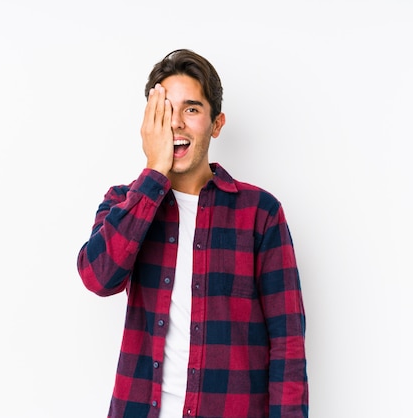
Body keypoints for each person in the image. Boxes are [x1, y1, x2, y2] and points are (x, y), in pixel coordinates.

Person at [78, 49, 308, 418]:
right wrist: (154, 172)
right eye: (165, 110)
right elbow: (98, 277)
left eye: (191, 109)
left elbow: (288, 344)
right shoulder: (123, 202)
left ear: (216, 124)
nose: (176, 124)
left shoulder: (260, 213)